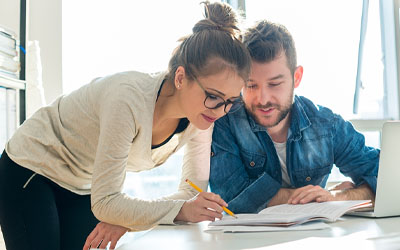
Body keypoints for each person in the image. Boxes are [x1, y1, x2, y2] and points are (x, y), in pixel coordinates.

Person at [0, 2, 251, 250]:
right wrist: (138, 213)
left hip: (81, 183)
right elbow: (107, 204)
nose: (220, 111)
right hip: (32, 166)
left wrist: (127, 220)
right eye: (214, 96)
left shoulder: (202, 119)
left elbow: (189, 195)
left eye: (230, 102)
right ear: (181, 78)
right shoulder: (127, 100)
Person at [209, 20, 379, 214]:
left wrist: (337, 198)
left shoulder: (326, 125)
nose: (262, 99)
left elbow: (386, 178)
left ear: (296, 77)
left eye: (274, 84)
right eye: (251, 85)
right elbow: (231, 197)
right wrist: (312, 199)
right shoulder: (225, 122)